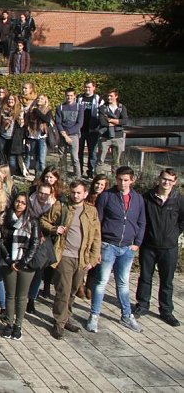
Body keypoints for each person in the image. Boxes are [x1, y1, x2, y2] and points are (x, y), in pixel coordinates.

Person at [87, 166, 146, 333]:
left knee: (123, 283)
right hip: (108, 245)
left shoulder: (138, 199)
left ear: (132, 181)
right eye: (120, 179)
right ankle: (94, 316)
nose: (122, 183)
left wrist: (137, 243)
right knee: (101, 282)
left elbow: (142, 222)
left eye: (126, 180)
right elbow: (97, 222)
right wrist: (97, 246)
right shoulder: (107, 196)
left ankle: (127, 315)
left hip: (127, 248)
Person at [41, 180, 101, 340]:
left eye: (79, 193)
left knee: (74, 290)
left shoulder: (91, 211)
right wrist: (55, 229)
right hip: (65, 256)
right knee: (63, 291)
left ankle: (66, 317)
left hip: (82, 258)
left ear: (85, 194)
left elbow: (96, 236)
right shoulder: (62, 206)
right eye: (73, 192)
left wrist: (93, 259)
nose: (75, 195)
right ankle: (59, 323)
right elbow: (44, 221)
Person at [134, 168, 184, 326]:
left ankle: (166, 311)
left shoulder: (179, 200)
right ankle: (142, 305)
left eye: (170, 180)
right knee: (145, 277)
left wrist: (174, 233)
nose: (166, 182)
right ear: (159, 179)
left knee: (167, 281)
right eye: (164, 179)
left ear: (175, 182)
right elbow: (140, 219)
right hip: (149, 246)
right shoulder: (147, 197)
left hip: (169, 248)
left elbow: (182, 220)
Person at [0, 194, 40, 341]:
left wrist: (22, 262)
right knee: (10, 294)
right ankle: (9, 323)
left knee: (22, 296)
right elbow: (0, 241)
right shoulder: (5, 218)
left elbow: (35, 243)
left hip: (26, 264)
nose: (20, 205)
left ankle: (18, 325)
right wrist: (10, 260)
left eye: (23, 203)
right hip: (8, 261)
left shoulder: (32, 221)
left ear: (27, 205)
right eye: (17, 201)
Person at [97, 89, 128, 171]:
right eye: (108, 96)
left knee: (116, 162)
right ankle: (98, 179)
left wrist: (111, 120)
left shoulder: (121, 107)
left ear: (116, 96)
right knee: (100, 160)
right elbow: (102, 122)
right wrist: (117, 122)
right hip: (105, 137)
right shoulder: (102, 108)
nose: (109, 97)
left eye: (111, 96)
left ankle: (115, 179)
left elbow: (125, 121)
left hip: (118, 137)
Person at [55, 89, 83, 177]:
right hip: (62, 134)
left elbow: (79, 123)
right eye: (67, 95)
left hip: (74, 135)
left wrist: (68, 133)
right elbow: (58, 122)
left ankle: (78, 176)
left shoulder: (79, 107)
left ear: (75, 96)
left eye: (71, 95)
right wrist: (64, 134)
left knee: (74, 157)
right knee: (62, 156)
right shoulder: (60, 107)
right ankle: (63, 175)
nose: (69, 97)